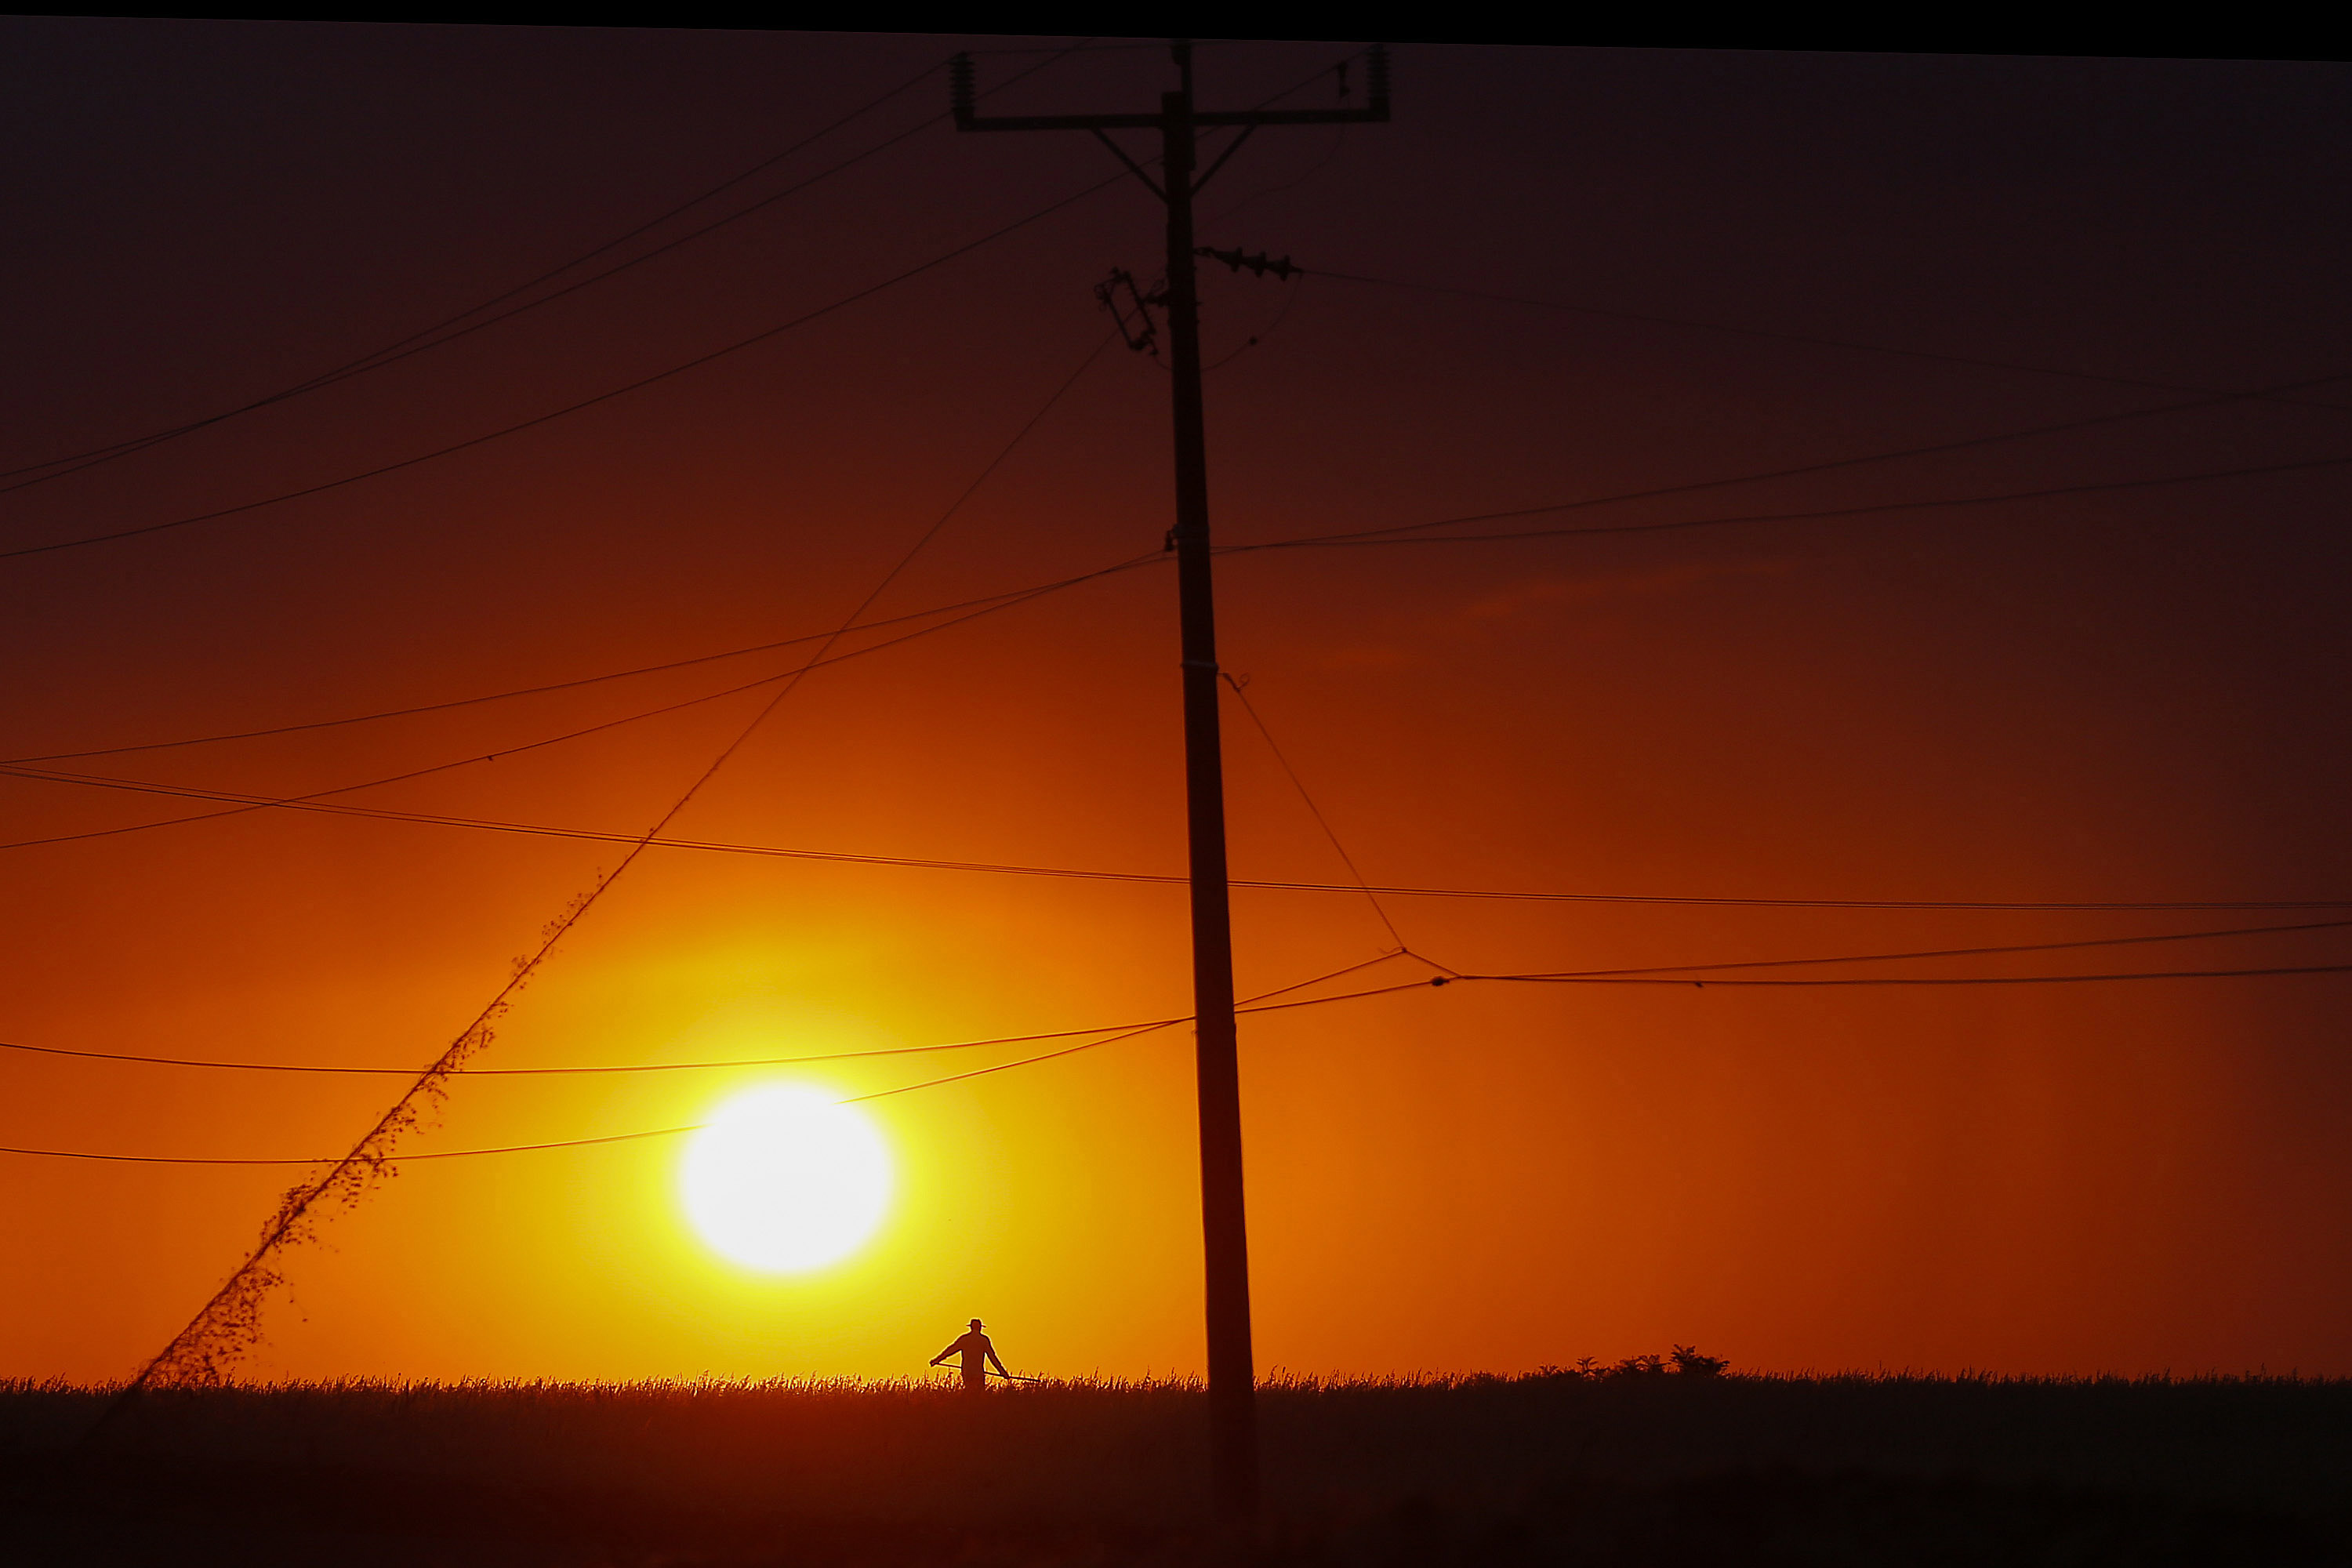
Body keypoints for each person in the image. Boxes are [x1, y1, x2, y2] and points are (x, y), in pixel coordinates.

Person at [929, 1317, 1008, 1392]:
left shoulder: (964, 1339)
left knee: (969, 1392)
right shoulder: (984, 1340)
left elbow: (950, 1350)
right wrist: (1002, 1372)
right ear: (980, 1328)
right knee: (979, 1396)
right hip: (978, 1372)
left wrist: (937, 1360)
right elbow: (993, 1358)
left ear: (971, 1327)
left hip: (967, 1371)